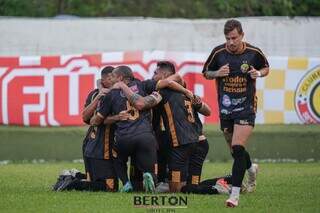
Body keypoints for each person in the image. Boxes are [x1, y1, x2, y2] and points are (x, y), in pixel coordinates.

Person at [90, 65, 191, 193]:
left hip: (123, 137)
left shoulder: (111, 94)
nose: (111, 80)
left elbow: (98, 120)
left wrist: (114, 117)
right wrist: (186, 90)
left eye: (114, 77)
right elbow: (170, 81)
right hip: (145, 136)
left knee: (117, 158)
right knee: (147, 157)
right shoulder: (144, 85)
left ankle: (126, 183)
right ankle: (148, 175)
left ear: (120, 78)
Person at [202, 19, 269, 207]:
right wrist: (216, 73)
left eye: (234, 38)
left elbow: (266, 67)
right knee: (235, 150)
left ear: (242, 35)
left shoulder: (253, 53)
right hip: (226, 108)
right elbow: (206, 72)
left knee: (238, 147)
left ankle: (235, 195)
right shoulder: (218, 52)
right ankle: (251, 168)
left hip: (246, 107)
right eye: (227, 38)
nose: (231, 42)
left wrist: (259, 73)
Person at [151, 61, 199, 193]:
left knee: (174, 190)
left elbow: (174, 79)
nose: (152, 76)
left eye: (155, 73)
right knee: (183, 186)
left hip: (180, 140)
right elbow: (207, 110)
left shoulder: (164, 90)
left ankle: (216, 188)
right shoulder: (183, 91)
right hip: (194, 139)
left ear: (165, 75)